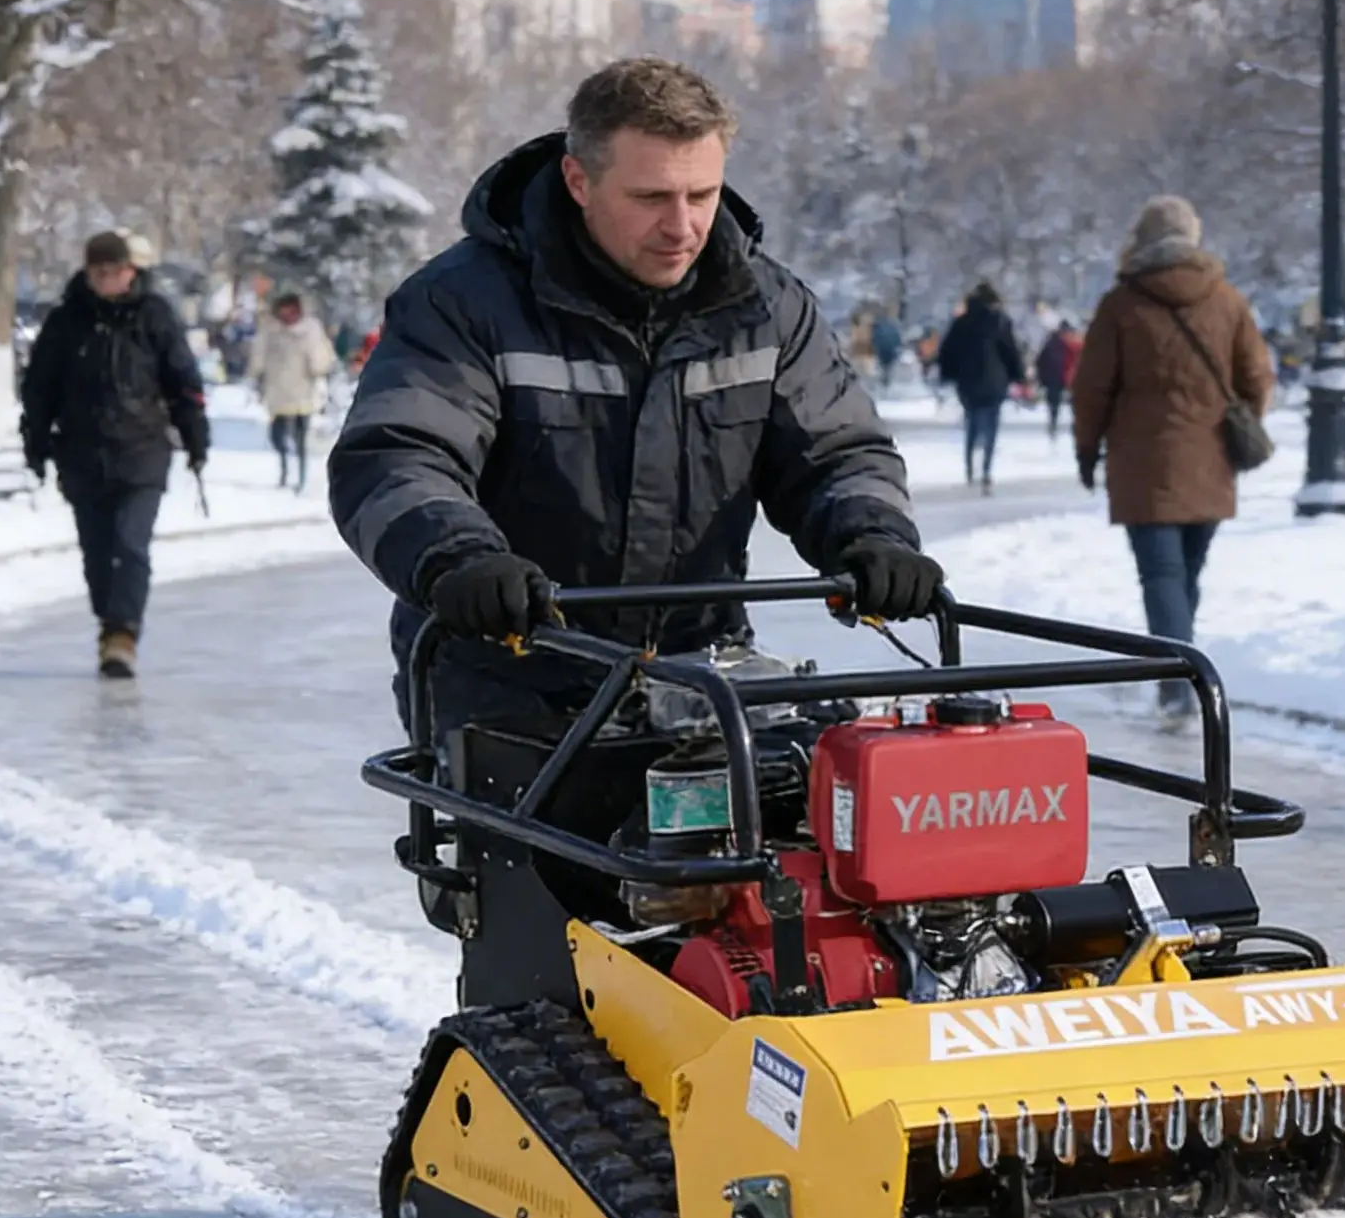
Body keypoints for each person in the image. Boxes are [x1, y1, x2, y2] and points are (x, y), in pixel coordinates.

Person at [328, 57, 941, 734]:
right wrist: (458, 558)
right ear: (579, 181)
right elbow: (398, 454)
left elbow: (839, 452)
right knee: (558, 831)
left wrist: (874, 537)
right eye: (651, 198)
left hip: (699, 674)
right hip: (510, 672)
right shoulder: (465, 303)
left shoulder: (767, 307)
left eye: (702, 195)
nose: (682, 227)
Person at [1073, 196, 1274, 717]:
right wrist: (1238, 420)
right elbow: (1256, 376)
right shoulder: (1226, 300)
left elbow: (1093, 387)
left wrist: (1087, 448)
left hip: (1142, 462)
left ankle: (1177, 683)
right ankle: (1183, 672)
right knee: (1186, 575)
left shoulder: (1121, 304)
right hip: (1211, 459)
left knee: (1161, 577)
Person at [19, 230, 209, 680]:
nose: (108, 280)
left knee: (129, 544)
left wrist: (196, 438)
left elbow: (182, 380)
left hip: (142, 451)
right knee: (97, 552)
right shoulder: (66, 322)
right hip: (82, 455)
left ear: (131, 271)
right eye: (99, 272)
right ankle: (109, 620)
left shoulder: (154, 317)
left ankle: (123, 634)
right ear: (88, 274)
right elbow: (40, 389)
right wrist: (37, 443)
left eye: (116, 271)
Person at [934, 282, 1024, 490]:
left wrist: (948, 374)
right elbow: (1010, 351)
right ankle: (986, 469)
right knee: (992, 425)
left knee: (972, 422)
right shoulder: (1001, 322)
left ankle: (969, 467)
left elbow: (948, 351)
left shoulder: (961, 323)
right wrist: (1017, 375)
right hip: (995, 381)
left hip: (968, 381)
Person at [251, 291, 336, 493]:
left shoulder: (310, 329)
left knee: (300, 437)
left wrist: (318, 365)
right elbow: (258, 354)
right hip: (277, 391)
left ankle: (301, 476)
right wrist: (256, 374)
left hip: (303, 391)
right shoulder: (270, 329)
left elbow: (322, 357)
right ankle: (284, 469)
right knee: (277, 436)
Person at [1034, 317, 1083, 441]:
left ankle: (1060, 425)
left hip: (1063, 378)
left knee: (1065, 404)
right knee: (1057, 405)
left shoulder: (1054, 342)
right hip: (1058, 378)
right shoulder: (1064, 343)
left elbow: (1040, 361)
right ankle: (1055, 426)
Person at [870, 310, 903, 393]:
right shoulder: (892, 326)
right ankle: (885, 381)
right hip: (890, 350)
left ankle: (884, 381)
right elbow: (897, 338)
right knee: (887, 367)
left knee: (884, 367)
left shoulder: (877, 329)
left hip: (882, 351)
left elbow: (874, 340)